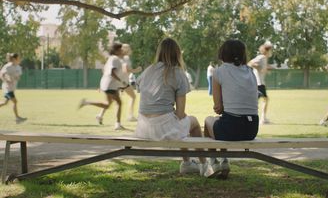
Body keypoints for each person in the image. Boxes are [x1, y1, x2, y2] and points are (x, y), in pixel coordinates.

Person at [134, 38, 214, 177]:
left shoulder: (148, 71)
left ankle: (187, 164)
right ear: (177, 54)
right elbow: (180, 113)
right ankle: (204, 165)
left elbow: (142, 92)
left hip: (142, 128)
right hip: (163, 129)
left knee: (180, 123)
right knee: (191, 122)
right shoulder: (177, 73)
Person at [204, 39, 259, 179]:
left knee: (209, 121)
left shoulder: (218, 72)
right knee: (221, 121)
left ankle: (215, 162)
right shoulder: (251, 71)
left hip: (232, 128)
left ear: (223, 53)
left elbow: (218, 107)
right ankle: (224, 161)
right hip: (252, 129)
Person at [79, 43, 126, 130]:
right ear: (116, 50)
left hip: (107, 84)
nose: (122, 50)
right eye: (120, 49)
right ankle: (117, 124)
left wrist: (104, 83)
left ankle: (87, 103)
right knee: (118, 103)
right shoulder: (115, 59)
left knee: (108, 104)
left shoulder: (111, 59)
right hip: (110, 85)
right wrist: (121, 81)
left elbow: (104, 70)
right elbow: (112, 73)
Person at [95, 44, 142, 124]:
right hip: (122, 82)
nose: (130, 50)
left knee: (112, 101)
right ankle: (129, 116)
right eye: (129, 48)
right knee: (132, 97)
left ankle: (100, 115)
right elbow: (125, 70)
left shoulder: (120, 58)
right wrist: (136, 70)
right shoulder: (125, 58)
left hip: (120, 82)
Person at [248, 41, 273, 124]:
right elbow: (250, 63)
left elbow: (262, 67)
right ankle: (262, 119)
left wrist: (267, 68)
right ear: (267, 51)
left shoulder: (264, 58)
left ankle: (259, 118)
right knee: (264, 100)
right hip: (259, 83)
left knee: (259, 101)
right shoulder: (261, 57)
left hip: (259, 83)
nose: (271, 52)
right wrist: (259, 68)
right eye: (270, 50)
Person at [0, 53, 27, 123]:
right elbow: (1, 75)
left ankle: (17, 118)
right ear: (14, 59)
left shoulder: (18, 67)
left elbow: (18, 77)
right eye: (19, 58)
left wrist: (17, 78)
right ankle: (17, 118)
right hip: (7, 88)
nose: (20, 59)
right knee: (15, 101)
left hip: (12, 88)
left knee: (5, 103)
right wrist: (6, 80)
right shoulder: (7, 66)